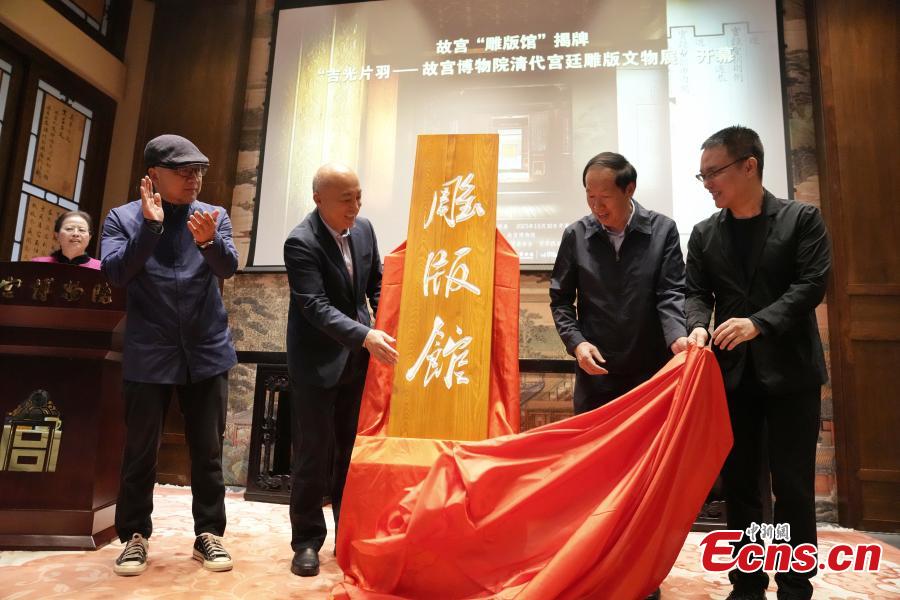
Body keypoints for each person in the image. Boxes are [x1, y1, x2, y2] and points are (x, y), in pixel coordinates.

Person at [685, 126, 830, 600]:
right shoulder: (705, 233)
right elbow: (695, 293)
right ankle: (746, 585)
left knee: (793, 486)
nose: (707, 183)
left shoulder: (801, 219)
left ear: (749, 165)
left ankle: (794, 586)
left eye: (714, 172)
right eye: (702, 175)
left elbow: (811, 285)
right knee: (742, 485)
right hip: (733, 378)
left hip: (791, 375)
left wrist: (757, 323)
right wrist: (697, 325)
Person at [550, 152, 688, 600]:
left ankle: (640, 576)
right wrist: (577, 343)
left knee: (645, 482)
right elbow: (561, 302)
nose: (596, 206)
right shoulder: (576, 234)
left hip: (648, 376)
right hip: (597, 375)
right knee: (595, 480)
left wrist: (678, 340)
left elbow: (671, 294)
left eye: (604, 197)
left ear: (629, 190)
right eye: (589, 197)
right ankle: (594, 571)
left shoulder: (662, 231)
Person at [101, 134, 239, 576]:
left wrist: (209, 243)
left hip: (206, 348)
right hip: (149, 350)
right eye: (182, 171)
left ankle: (209, 534)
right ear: (153, 175)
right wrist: (150, 227)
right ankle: (134, 536)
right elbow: (116, 273)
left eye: (198, 171)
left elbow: (228, 267)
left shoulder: (212, 215)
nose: (193, 179)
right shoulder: (122, 218)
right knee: (140, 451)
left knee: (208, 450)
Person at [283, 163, 398, 577]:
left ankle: (347, 535)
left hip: (356, 361)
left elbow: (377, 284)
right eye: (346, 199)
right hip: (316, 363)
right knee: (313, 454)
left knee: (351, 452)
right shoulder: (301, 241)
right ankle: (306, 542)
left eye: (358, 196)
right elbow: (315, 307)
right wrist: (365, 335)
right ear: (319, 200)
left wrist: (386, 317)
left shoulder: (364, 229)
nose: (356, 206)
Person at [31, 210, 101, 269]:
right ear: (57, 235)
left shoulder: (101, 268)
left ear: (89, 237)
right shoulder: (38, 264)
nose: (75, 234)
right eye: (69, 229)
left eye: (81, 230)